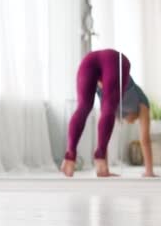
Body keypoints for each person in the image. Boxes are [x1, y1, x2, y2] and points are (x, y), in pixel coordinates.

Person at [61, 48, 157, 178]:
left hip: (89, 60)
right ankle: (99, 160)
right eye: (134, 121)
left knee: (83, 107)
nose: (131, 122)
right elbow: (145, 139)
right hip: (115, 61)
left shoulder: (116, 110)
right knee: (106, 110)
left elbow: (104, 130)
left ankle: (70, 156)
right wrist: (149, 172)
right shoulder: (143, 102)